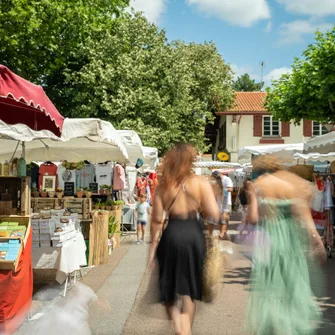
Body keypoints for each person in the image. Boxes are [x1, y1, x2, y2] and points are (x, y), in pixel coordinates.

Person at [245, 155, 326, 335]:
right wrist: (316, 239)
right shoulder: (291, 184)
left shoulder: (258, 185)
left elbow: (253, 218)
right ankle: (290, 327)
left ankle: (274, 326)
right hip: (290, 241)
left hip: (268, 240)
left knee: (270, 287)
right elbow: (303, 216)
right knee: (292, 284)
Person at [149, 143, 220, 335]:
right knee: (189, 290)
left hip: (172, 233)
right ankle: (185, 330)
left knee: (169, 289)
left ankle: (181, 329)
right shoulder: (201, 183)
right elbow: (214, 212)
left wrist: (152, 249)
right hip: (193, 234)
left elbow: (156, 220)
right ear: (190, 161)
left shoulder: (163, 186)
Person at [207, 171, 228, 238]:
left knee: (222, 222)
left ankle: (221, 234)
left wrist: (225, 211)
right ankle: (211, 235)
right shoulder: (209, 189)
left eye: (213, 179)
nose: (211, 181)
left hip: (220, 209)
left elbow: (225, 201)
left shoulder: (223, 190)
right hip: (212, 208)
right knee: (211, 222)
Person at [221, 171, 233, 240]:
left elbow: (231, 189)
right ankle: (223, 232)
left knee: (225, 217)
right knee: (223, 218)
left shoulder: (227, 179)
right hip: (220, 202)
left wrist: (221, 190)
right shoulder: (218, 180)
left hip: (227, 202)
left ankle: (224, 232)